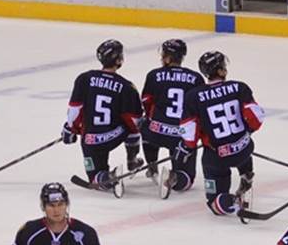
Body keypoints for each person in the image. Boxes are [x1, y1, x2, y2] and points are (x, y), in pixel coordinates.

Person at [178, 51, 265, 216]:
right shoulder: (240, 87)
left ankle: (228, 202)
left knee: (214, 203)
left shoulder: (193, 96)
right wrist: (247, 132)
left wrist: (186, 148)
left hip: (217, 158)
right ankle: (246, 174)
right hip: (244, 149)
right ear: (221, 71)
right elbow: (256, 118)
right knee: (242, 144)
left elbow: (189, 133)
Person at [62, 39, 143, 193]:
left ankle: (108, 177)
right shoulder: (127, 86)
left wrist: (71, 128)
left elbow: (75, 109)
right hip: (114, 136)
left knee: (95, 179)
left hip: (91, 140)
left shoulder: (84, 79)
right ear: (119, 60)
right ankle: (132, 160)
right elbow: (134, 120)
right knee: (131, 126)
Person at [139, 38, 204, 194]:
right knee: (186, 180)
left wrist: (152, 120)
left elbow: (146, 102)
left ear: (167, 57)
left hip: (157, 133)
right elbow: (201, 110)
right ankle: (173, 176)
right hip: (181, 138)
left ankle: (152, 165)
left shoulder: (154, 75)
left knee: (144, 126)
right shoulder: (196, 78)